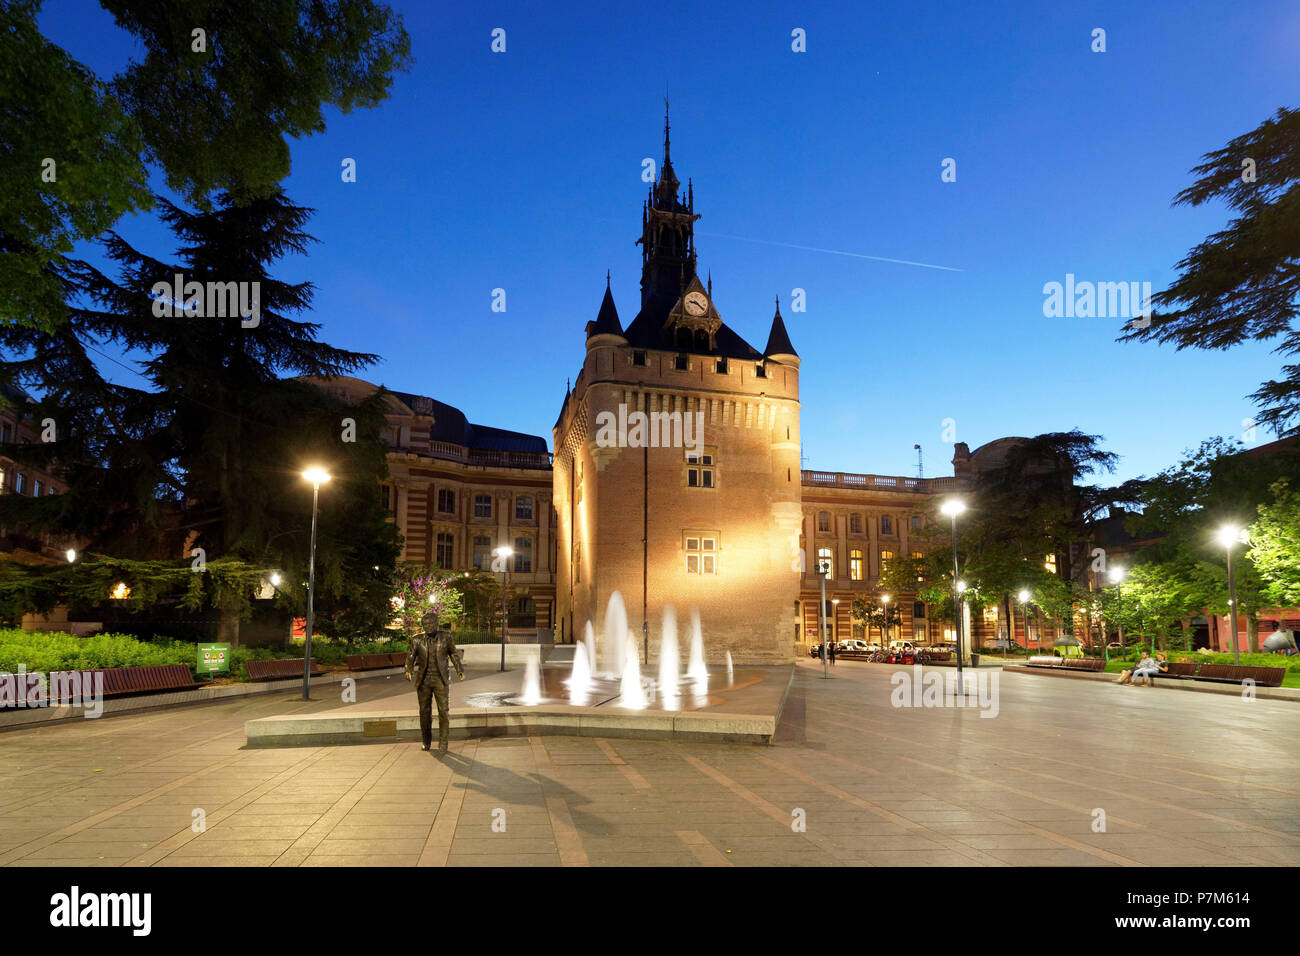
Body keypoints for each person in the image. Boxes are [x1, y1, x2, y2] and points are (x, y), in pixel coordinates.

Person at [406, 609, 465, 753]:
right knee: (424, 713)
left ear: (437, 623)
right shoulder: (417, 639)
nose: (428, 626)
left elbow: (454, 654)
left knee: (443, 712)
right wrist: (408, 669)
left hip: (440, 680)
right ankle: (426, 742)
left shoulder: (446, 637)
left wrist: (459, 669)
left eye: (431, 623)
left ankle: (443, 743)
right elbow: (411, 656)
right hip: (424, 681)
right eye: (425, 624)